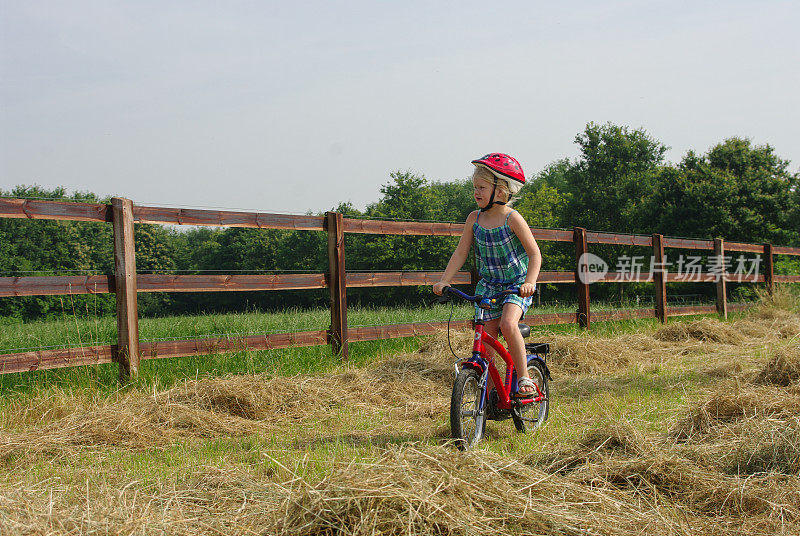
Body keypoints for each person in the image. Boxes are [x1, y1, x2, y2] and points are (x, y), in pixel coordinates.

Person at [433, 153, 542, 397]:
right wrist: (445, 280)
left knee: (507, 323)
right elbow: (460, 253)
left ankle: (524, 377)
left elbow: (535, 255)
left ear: (501, 191)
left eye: (482, 187)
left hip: (515, 286)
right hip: (489, 288)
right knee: (485, 341)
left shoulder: (512, 218)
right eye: (475, 187)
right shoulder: (474, 218)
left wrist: (529, 283)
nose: (476, 192)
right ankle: (491, 396)